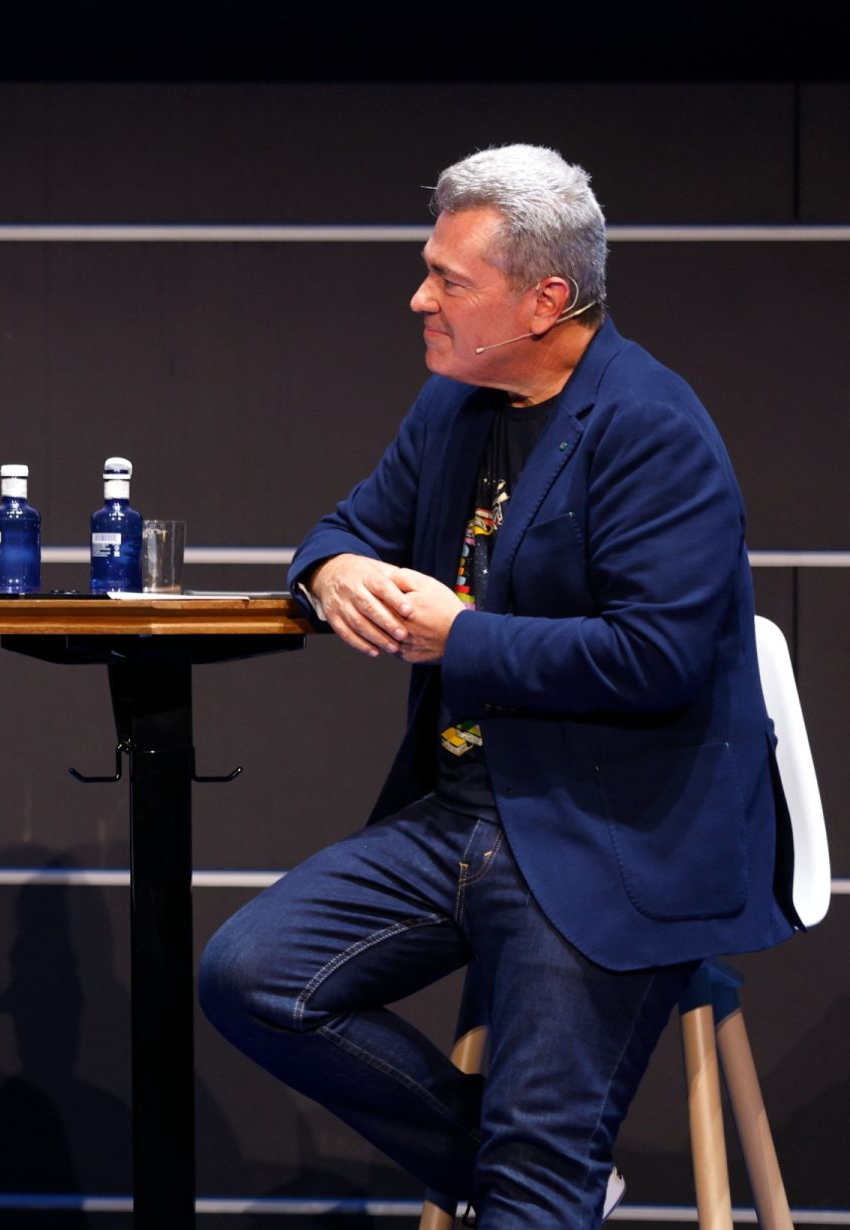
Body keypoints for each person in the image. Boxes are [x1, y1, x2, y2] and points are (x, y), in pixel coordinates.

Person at [196, 145, 794, 1227]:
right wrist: (332, 571)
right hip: (463, 816)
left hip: (613, 836)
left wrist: (462, 637)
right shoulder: (457, 406)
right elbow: (343, 530)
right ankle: (532, 1173)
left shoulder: (653, 429)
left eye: (449, 281)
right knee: (250, 975)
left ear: (544, 299)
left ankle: (536, 1177)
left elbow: (656, 658)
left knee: (533, 1175)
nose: (418, 296)